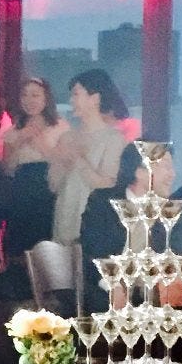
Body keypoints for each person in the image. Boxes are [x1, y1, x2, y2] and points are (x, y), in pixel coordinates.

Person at [79, 142, 175, 308]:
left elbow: (177, 256)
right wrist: (113, 287)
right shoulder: (103, 203)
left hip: (153, 298)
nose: (172, 174)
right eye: (166, 166)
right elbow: (93, 251)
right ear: (140, 171)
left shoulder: (170, 210)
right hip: (106, 294)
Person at [50, 68, 130, 245]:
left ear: (95, 98)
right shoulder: (66, 137)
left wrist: (78, 160)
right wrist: (60, 162)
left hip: (95, 220)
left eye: (76, 94)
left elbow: (109, 184)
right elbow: (53, 184)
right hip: (65, 213)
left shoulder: (113, 139)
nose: (71, 100)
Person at [3, 77, 68, 257]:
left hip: (49, 188)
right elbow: (6, 168)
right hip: (21, 189)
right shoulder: (13, 130)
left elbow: (65, 163)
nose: (29, 100)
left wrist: (40, 144)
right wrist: (19, 141)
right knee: (20, 244)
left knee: (46, 242)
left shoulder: (60, 126)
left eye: (35, 95)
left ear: (46, 98)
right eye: (25, 95)